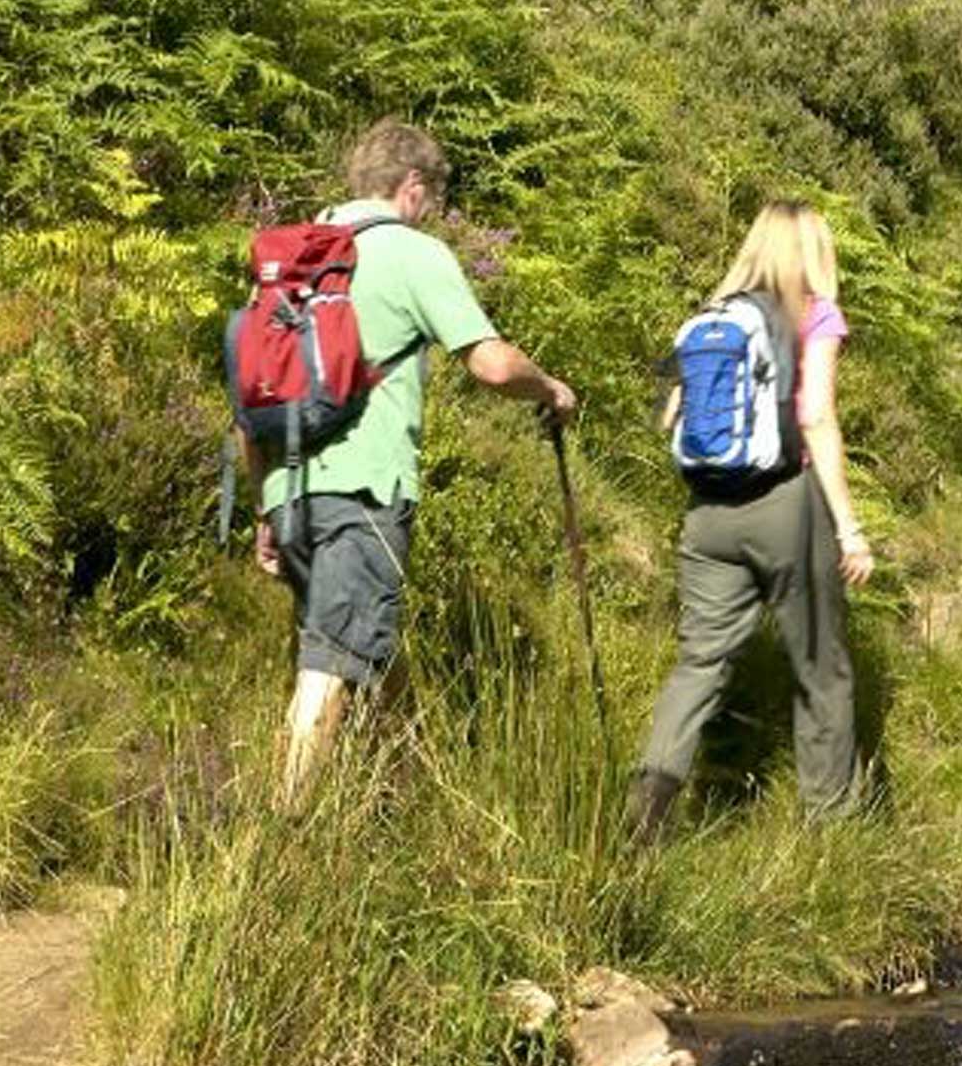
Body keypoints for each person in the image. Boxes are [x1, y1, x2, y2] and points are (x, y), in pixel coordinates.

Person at [245, 119, 577, 806]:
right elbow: (489, 363)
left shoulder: (295, 258)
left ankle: (413, 808)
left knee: (371, 649)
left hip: (290, 490)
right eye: (431, 198)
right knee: (329, 667)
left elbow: (252, 390)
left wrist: (265, 506)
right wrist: (549, 388)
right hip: (365, 491)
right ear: (414, 188)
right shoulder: (411, 253)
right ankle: (278, 842)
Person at [629, 201, 875, 836]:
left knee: (699, 663)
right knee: (821, 667)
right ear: (812, 252)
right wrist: (849, 527)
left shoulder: (712, 318)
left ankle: (644, 818)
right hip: (785, 506)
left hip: (707, 514)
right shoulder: (813, 314)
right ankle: (831, 831)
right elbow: (817, 416)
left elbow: (670, 421)